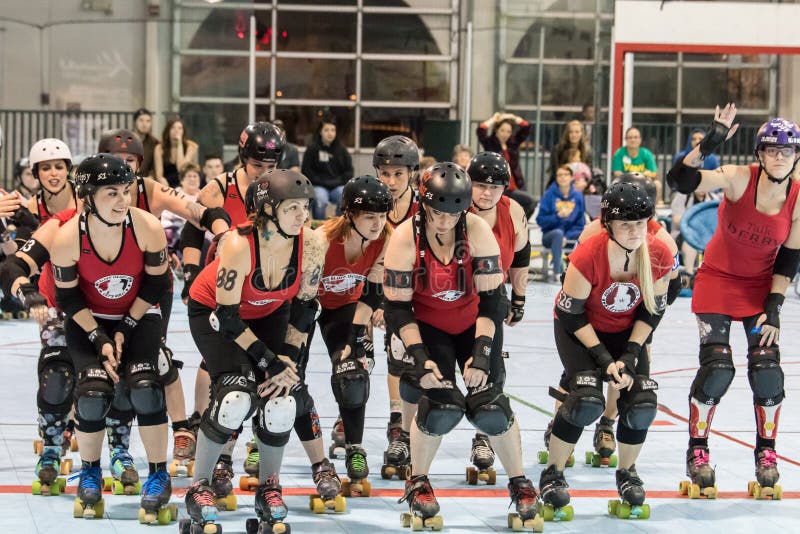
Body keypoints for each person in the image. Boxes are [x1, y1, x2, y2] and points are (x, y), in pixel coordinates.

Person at [384, 163, 539, 530]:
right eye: (437, 213)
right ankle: (418, 480)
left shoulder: (477, 229)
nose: (444, 222)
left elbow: (492, 302)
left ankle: (519, 483)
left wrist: (483, 354)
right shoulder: (407, 236)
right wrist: (420, 358)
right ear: (424, 206)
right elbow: (397, 308)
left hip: (473, 322)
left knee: (491, 405)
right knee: (441, 406)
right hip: (426, 325)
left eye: (453, 214)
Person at [666, 106, 800, 499]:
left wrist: (773, 306)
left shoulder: (798, 196)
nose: (779, 156)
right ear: (760, 154)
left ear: (796, 156)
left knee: (767, 370)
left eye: (787, 150)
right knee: (718, 368)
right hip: (718, 281)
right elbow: (681, 181)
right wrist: (710, 141)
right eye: (772, 150)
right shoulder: (741, 178)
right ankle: (698, 451)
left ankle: (766, 453)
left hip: (760, 288)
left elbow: (790, 257)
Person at [184, 170, 322, 534]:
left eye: (305, 207)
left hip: (270, 312)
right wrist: (269, 361)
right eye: (292, 207)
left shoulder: (311, 243)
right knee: (234, 396)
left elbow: (306, 308)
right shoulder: (236, 244)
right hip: (213, 312)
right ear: (265, 210)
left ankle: (269, 488)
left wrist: (287, 359)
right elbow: (227, 319)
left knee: (283, 399)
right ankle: (199, 487)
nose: (302, 216)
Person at [97, 128, 230, 480]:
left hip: (151, 288)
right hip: (104, 289)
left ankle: (181, 429)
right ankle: (105, 436)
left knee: (152, 358)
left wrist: (221, 228)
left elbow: (194, 210)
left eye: (130, 162)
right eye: (117, 161)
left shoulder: (149, 190)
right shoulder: (90, 194)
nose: (123, 169)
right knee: (103, 363)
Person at [50, 154, 173, 521]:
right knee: (92, 391)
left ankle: (158, 474)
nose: (124, 201)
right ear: (87, 197)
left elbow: (157, 284)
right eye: (112, 194)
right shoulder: (68, 236)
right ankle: (89, 470)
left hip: (140, 312)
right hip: (87, 319)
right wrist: (101, 337)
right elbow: (68, 298)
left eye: (126, 191)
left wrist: (125, 329)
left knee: (146, 387)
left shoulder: (147, 227)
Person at [540, 182, 671, 520]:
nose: (634, 232)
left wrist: (628, 357)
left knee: (641, 401)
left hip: (626, 331)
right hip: (579, 329)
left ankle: (627, 472)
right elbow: (571, 313)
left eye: (640, 224)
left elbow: (651, 311)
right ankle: (553, 472)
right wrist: (602, 359)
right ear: (608, 225)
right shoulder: (588, 253)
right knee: (585, 398)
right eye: (626, 225)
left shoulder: (659, 252)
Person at [179, 122, 286, 482]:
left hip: (263, 291)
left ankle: (258, 438)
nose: (265, 173)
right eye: (259, 166)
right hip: (223, 288)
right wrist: (192, 273)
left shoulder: (281, 188)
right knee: (218, 364)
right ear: (243, 158)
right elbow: (192, 229)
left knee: (260, 365)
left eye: (272, 167)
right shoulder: (219, 187)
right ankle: (204, 428)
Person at [312, 175, 391, 495]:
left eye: (382, 216)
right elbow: (300, 295)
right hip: (307, 303)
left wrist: (355, 339)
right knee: (286, 374)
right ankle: (260, 441)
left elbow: (372, 293)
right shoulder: (320, 240)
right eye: (370, 217)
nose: (377, 224)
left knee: (353, 372)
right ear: (349, 215)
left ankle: (355, 448)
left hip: (346, 307)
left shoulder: (387, 237)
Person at [466, 151, 531, 482]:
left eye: (495, 187)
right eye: (479, 185)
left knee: (491, 374)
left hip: (491, 299)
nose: (486, 193)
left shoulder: (513, 211)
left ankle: (484, 437)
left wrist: (519, 297)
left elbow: (520, 255)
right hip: (455, 298)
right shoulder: (455, 206)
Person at [371, 135, 420, 479]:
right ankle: (397, 427)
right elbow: (365, 258)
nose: (390, 182)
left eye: (397, 174)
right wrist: (378, 303)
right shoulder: (370, 202)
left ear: (411, 175)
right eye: (384, 173)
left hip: (421, 290)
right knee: (395, 355)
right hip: (382, 290)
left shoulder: (427, 206)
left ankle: (413, 429)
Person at [476, 112, 536, 220]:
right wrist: (494, 119)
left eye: (508, 131)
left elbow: (526, 127)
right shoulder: (490, 143)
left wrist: (512, 117)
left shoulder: (513, 143)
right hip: (497, 185)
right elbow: (481, 129)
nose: (505, 134)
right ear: (496, 131)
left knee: (530, 202)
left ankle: (515, 224)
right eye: (502, 130)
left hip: (513, 186)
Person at [536, 165, 585, 281]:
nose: (563, 177)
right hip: (550, 236)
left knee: (584, 235)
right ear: (556, 178)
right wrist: (557, 216)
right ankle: (557, 273)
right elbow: (540, 220)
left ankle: (578, 271)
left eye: (566, 175)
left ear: (572, 177)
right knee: (558, 234)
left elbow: (580, 223)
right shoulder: (549, 195)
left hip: (570, 237)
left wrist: (566, 236)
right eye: (559, 175)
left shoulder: (578, 196)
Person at [302, 115, 354, 220]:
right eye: (326, 130)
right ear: (320, 132)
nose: (330, 133)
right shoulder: (312, 149)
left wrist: (337, 181)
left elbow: (349, 171)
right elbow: (306, 170)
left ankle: (338, 224)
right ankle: (318, 226)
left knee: (344, 196)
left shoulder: (342, 150)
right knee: (320, 199)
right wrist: (321, 181)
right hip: (319, 185)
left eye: (333, 130)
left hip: (337, 186)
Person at [612, 128, 661, 204]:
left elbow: (654, 173)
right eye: (630, 137)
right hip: (625, 185)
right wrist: (639, 175)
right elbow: (617, 173)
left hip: (644, 185)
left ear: (640, 139)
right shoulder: (619, 153)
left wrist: (645, 175)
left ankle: (653, 211)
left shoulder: (646, 153)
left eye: (635, 137)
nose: (633, 140)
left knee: (657, 184)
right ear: (626, 140)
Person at [153, 118, 199, 188]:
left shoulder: (191, 146)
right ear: (168, 131)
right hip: (166, 184)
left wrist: (179, 144)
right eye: (173, 128)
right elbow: (159, 176)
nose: (176, 131)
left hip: (185, 183)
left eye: (180, 128)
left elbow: (181, 168)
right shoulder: (159, 148)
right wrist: (166, 188)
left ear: (183, 131)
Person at [133, 108, 159, 179]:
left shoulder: (155, 143)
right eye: (141, 120)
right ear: (135, 122)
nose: (144, 124)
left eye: (148, 121)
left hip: (146, 181)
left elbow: (155, 168)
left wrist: (149, 179)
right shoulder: (125, 140)